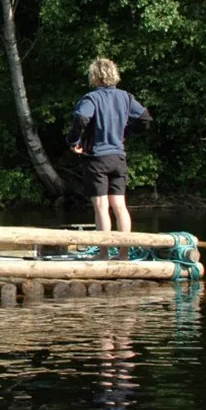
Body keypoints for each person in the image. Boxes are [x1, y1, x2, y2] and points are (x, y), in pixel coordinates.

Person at [66, 58, 152, 260]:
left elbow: (81, 118)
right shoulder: (126, 97)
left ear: (94, 77)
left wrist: (73, 140)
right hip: (118, 157)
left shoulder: (91, 98)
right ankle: (124, 254)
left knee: (101, 207)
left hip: (97, 159)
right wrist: (125, 132)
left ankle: (103, 253)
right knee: (120, 207)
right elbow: (145, 118)